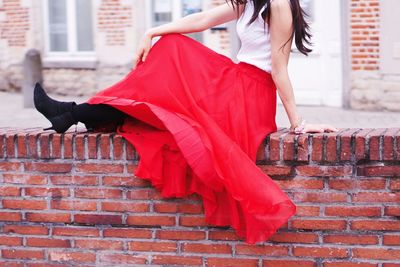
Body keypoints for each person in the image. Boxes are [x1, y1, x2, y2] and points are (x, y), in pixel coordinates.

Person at [34, 0, 339, 244]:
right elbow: (202, 20)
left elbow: (278, 68)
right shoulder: (250, 3)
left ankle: (70, 113)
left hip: (248, 96)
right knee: (168, 54)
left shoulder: (280, 4)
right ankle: (71, 113)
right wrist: (153, 31)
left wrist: (297, 123)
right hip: (233, 82)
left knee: (171, 61)